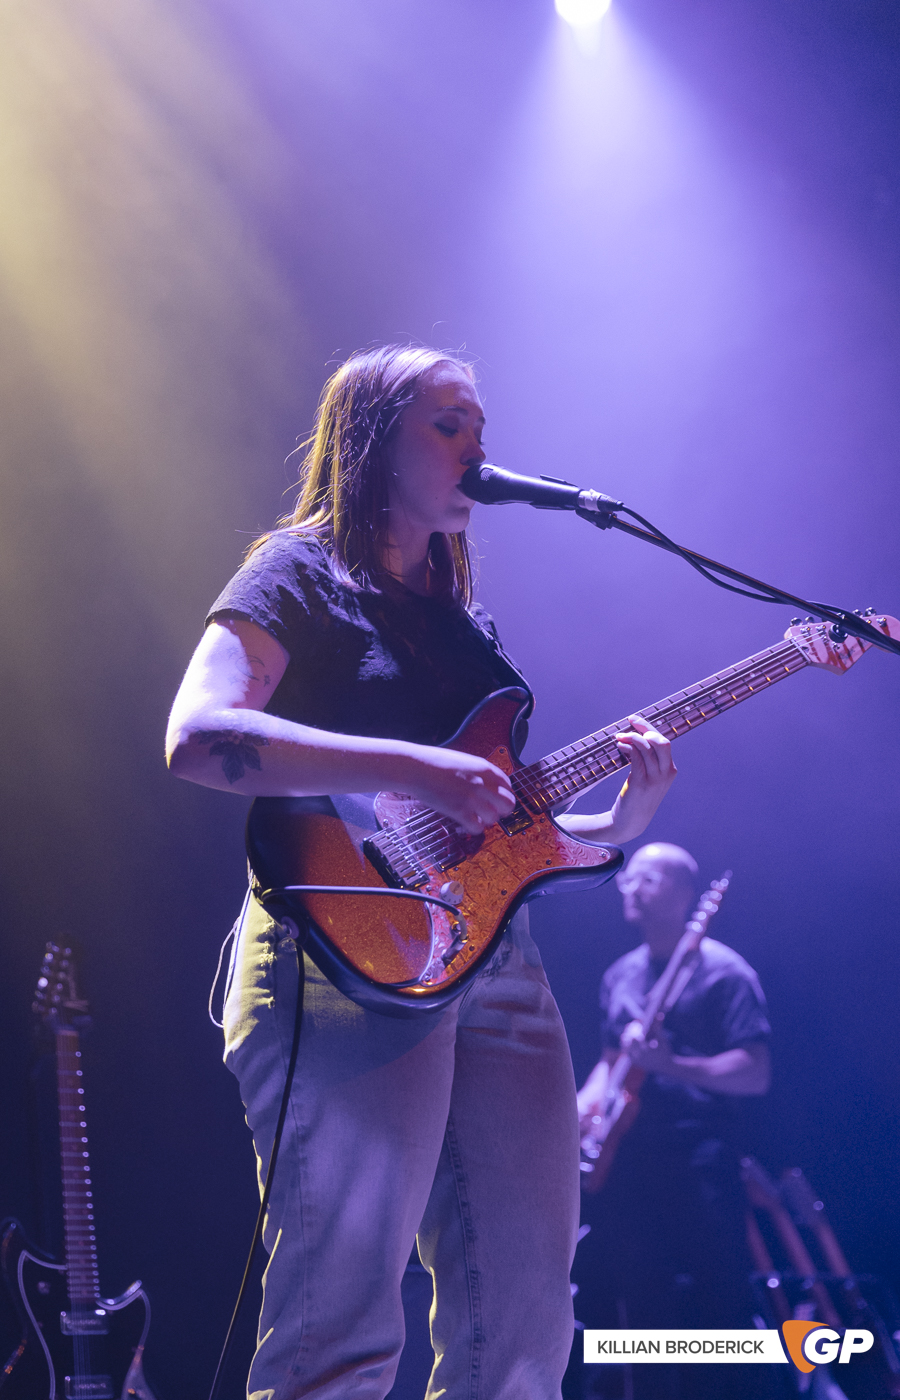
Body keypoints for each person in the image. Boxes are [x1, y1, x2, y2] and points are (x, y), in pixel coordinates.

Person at [165, 345, 677, 1400]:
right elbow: (198, 734)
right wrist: (408, 766)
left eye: (481, 423)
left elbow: (493, 825)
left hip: (495, 960)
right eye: (451, 421)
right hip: (339, 944)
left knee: (529, 1324)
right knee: (343, 1334)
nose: (478, 444)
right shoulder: (297, 570)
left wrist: (625, 816)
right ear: (374, 436)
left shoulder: (462, 622)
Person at [573, 842, 772, 1400]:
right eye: (627, 878)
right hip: (630, 1161)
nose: (629, 888)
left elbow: (754, 1072)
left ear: (686, 894)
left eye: (647, 879)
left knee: (719, 1297)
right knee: (641, 1298)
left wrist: (672, 1064)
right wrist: (578, 1112)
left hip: (698, 1157)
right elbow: (612, 1063)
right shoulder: (621, 975)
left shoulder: (725, 973)